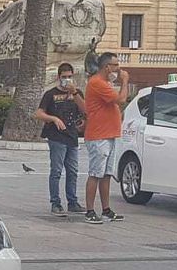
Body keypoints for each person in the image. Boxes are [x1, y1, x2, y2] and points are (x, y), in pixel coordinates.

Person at [82, 52, 131, 223]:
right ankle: (89, 211)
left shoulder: (105, 83)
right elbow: (121, 99)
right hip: (99, 135)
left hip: (109, 134)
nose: (118, 68)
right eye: (115, 65)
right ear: (107, 67)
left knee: (106, 174)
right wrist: (125, 81)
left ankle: (106, 209)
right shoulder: (97, 83)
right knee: (96, 173)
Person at [34, 62, 85, 215]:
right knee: (56, 170)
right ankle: (55, 202)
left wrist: (74, 93)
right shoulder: (50, 94)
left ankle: (72, 201)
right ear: (59, 77)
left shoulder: (77, 93)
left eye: (69, 76)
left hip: (72, 136)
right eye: (64, 77)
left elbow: (85, 109)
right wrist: (53, 119)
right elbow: (39, 113)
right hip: (56, 136)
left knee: (73, 170)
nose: (67, 80)